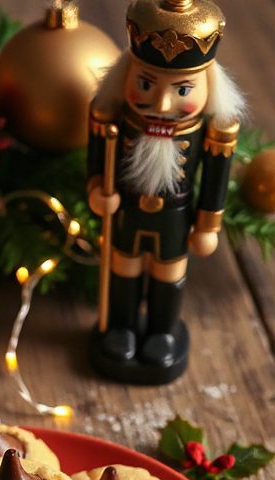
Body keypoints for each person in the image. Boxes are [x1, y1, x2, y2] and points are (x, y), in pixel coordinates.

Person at [88, 0, 246, 383]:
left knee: (168, 272)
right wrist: (97, 191)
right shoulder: (112, 121)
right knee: (123, 266)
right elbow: (97, 164)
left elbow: (214, 179)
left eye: (182, 90)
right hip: (128, 210)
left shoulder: (210, 133)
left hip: (175, 216)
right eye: (145, 84)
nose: (161, 104)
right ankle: (122, 327)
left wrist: (208, 224)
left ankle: (162, 330)